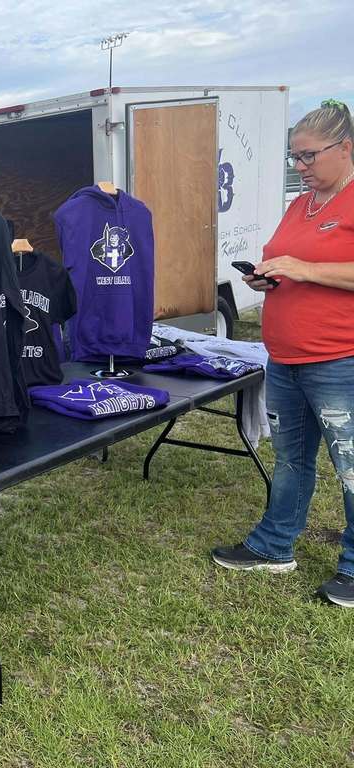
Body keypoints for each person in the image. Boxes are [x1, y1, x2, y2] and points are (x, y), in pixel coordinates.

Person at [212, 101, 354, 608]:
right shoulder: (301, 205)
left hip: (339, 359)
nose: (301, 167)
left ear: (345, 148)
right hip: (286, 358)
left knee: (350, 465)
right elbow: (291, 263)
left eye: (310, 156)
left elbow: (322, 269)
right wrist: (267, 276)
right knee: (292, 459)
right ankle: (275, 546)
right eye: (295, 157)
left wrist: (304, 268)